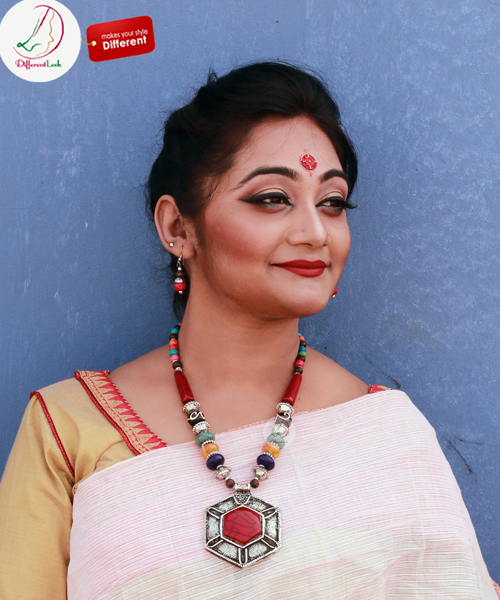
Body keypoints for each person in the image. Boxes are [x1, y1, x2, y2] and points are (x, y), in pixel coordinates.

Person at [0, 61, 498, 600]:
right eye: (272, 198)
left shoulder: (387, 436)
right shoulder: (69, 429)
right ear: (177, 227)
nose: (315, 232)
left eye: (333, 203)